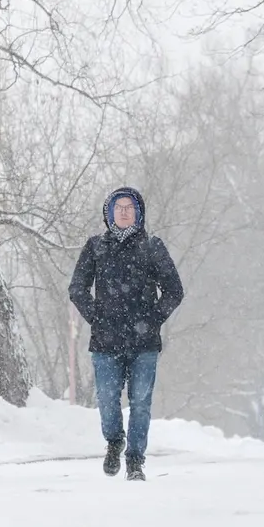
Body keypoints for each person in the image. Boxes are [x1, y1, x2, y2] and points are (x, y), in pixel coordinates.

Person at [68, 186, 185, 481]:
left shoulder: (152, 247)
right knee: (107, 398)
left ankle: (135, 460)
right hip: (106, 341)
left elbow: (174, 290)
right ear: (109, 213)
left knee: (141, 402)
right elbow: (77, 288)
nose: (123, 211)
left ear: (139, 213)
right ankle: (114, 440)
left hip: (144, 342)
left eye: (129, 207)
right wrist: (96, 317)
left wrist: (154, 318)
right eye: (118, 207)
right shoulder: (95, 247)